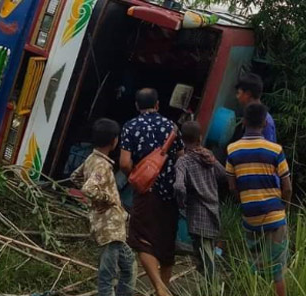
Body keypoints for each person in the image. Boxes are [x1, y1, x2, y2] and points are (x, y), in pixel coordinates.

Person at [120, 88, 184, 296]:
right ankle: (162, 290)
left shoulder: (130, 126)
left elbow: (124, 163)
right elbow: (182, 159)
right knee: (166, 245)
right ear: (158, 105)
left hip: (146, 192)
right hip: (171, 192)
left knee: (142, 240)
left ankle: (159, 288)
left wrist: (138, 175)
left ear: (137, 106)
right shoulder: (172, 128)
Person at [226, 103, 292, 296]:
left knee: (255, 266)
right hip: (275, 216)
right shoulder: (275, 150)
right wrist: (283, 208)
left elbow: (232, 186)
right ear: (264, 123)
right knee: (278, 270)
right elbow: (287, 187)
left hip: (251, 218)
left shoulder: (232, 150)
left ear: (244, 122)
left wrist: (246, 203)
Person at [71, 118, 137, 296]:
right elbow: (88, 188)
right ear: (114, 141)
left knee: (129, 265)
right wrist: (107, 199)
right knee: (107, 276)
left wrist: (97, 201)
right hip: (109, 227)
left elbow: (75, 177)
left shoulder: (92, 159)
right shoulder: (102, 165)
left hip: (114, 228)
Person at [173, 120, 226, 281]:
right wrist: (214, 160)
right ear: (200, 138)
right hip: (213, 209)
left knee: (205, 255)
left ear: (182, 139)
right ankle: (209, 285)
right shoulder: (208, 156)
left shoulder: (183, 161)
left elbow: (178, 186)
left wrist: (181, 203)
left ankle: (213, 287)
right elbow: (224, 175)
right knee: (205, 250)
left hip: (197, 212)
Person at [234, 73, 277, 142]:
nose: (237, 97)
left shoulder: (266, 121)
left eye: (238, 93)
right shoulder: (249, 114)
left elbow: (269, 149)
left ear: (248, 94)